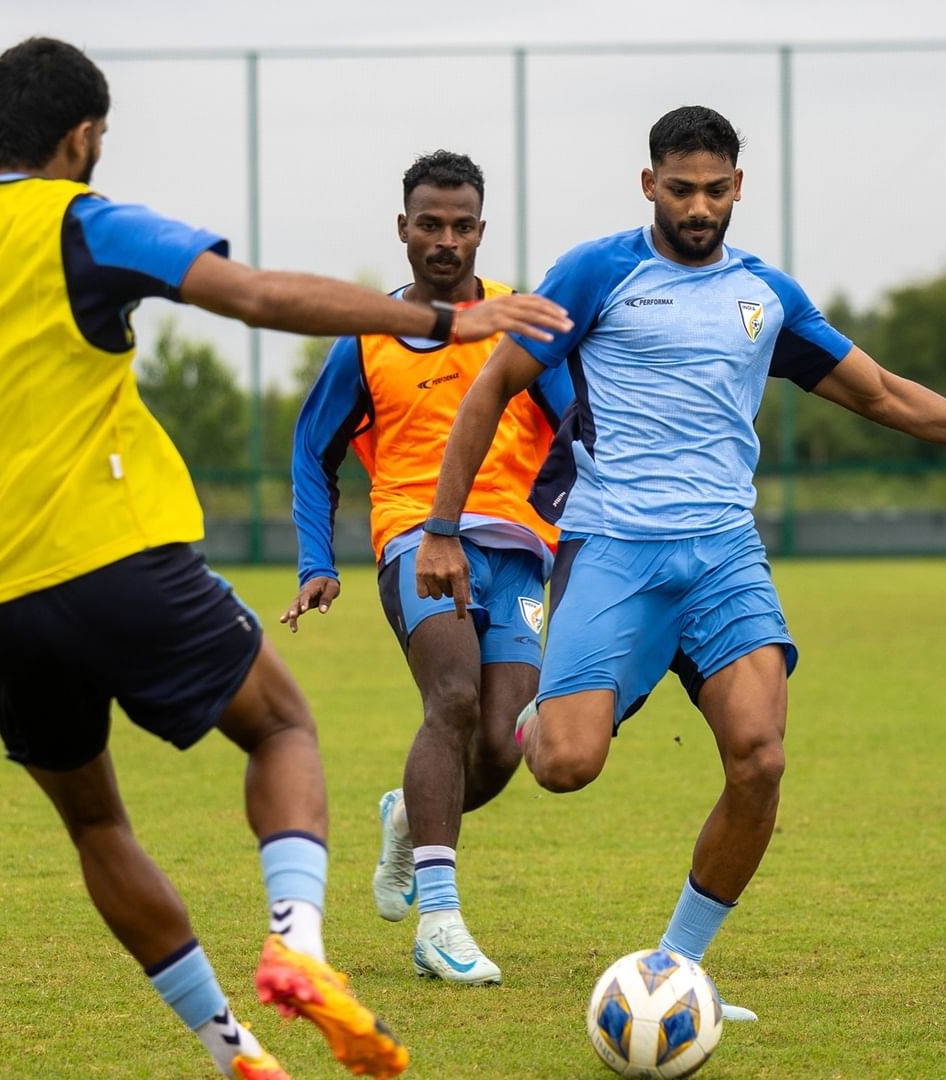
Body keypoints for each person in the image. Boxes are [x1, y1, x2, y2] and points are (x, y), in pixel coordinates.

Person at [0, 38, 569, 1080]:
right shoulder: (86, 223)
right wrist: (444, 318)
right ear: (82, 137)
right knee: (282, 728)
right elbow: (255, 296)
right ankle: (298, 950)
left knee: (97, 827)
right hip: (123, 559)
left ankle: (229, 1049)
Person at [413, 105, 946, 1022]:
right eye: (682, 189)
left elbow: (882, 391)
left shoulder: (767, 296)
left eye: (716, 190)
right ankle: (551, 713)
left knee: (761, 760)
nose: (699, 207)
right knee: (565, 765)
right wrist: (443, 528)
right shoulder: (594, 272)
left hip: (725, 554)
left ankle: (677, 965)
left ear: (740, 187)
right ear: (649, 184)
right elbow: (492, 388)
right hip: (614, 547)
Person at [283, 151, 572, 986]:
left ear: (482, 230)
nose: (445, 241)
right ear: (403, 229)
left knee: (502, 745)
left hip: (517, 551)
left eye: (461, 225)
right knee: (452, 698)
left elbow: (576, 430)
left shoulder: (523, 323)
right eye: (429, 224)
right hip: (417, 539)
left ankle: (409, 816)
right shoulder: (368, 338)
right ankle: (439, 922)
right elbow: (312, 452)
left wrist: (559, 522)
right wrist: (316, 560)